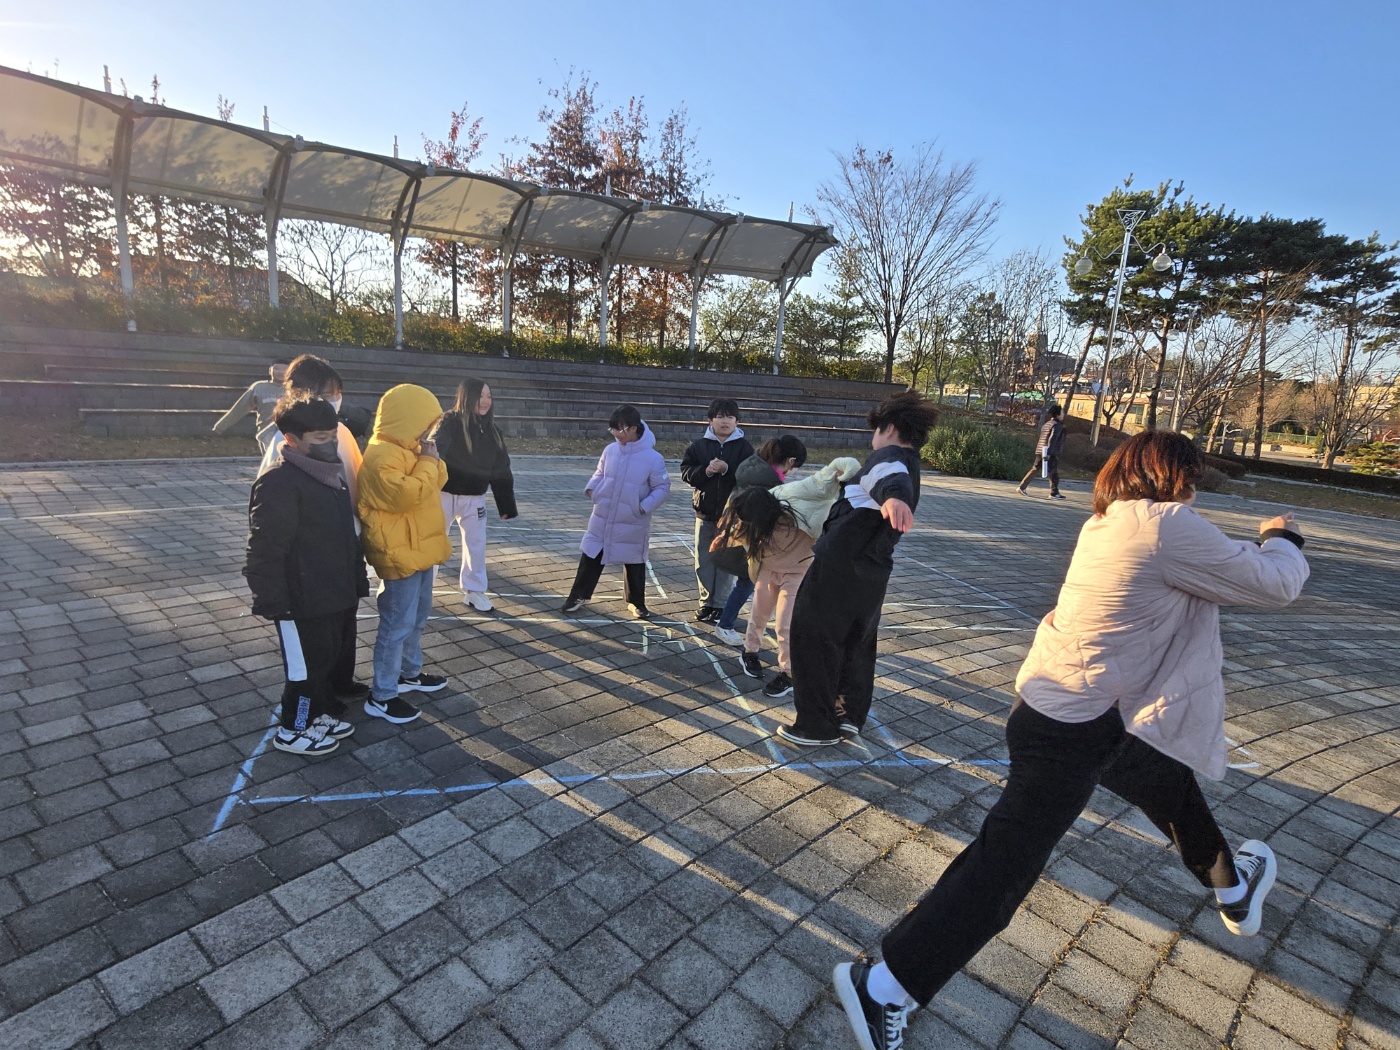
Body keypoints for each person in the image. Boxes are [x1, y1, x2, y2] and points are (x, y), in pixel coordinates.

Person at [833, 430, 1309, 1050]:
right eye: (1190, 479)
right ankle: (885, 986)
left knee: (1165, 782)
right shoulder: (1165, 526)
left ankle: (1232, 885)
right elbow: (1275, 583)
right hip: (1075, 728)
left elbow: (1210, 563)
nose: (1195, 491)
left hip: (1073, 707)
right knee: (1006, 864)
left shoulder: (1110, 520)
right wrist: (1281, 537)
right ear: (1172, 479)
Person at [778, 391, 940, 747]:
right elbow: (891, 479)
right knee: (857, 641)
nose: (873, 439)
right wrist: (894, 496)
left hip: (838, 566)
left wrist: (894, 496)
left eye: (875, 431)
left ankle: (815, 726)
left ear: (890, 429)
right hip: (872, 571)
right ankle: (847, 714)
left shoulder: (888, 457)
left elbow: (887, 476)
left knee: (812, 637)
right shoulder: (912, 464)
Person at [244, 395, 367, 756]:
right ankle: (294, 728)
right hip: (299, 601)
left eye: (334, 436)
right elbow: (265, 549)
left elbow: (347, 538)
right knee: (304, 671)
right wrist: (273, 600)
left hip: (334, 594)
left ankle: (317, 713)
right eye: (320, 438)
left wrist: (356, 580)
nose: (331, 444)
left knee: (325, 661)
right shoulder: (279, 483)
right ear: (291, 440)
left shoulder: (332, 477)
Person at [724, 455, 861, 697]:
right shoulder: (753, 514)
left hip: (797, 571)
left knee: (786, 625)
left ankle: (790, 673)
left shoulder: (798, 502)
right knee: (758, 614)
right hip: (768, 569)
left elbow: (831, 471)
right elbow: (739, 531)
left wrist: (847, 475)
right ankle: (749, 652)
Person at [357, 384, 453, 725]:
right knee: (396, 624)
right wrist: (428, 461)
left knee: (418, 616)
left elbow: (438, 479)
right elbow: (406, 495)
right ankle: (382, 695)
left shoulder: (412, 450)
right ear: (407, 419)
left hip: (418, 547)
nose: (429, 431)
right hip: (399, 552)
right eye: (426, 424)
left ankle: (409, 673)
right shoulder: (381, 454)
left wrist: (429, 459)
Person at [561, 405, 670, 619]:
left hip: (632, 519)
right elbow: (600, 473)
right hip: (603, 514)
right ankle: (578, 595)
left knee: (634, 559)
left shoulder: (653, 458)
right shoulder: (610, 450)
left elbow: (662, 488)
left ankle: (636, 602)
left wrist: (642, 507)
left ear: (634, 428)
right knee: (591, 553)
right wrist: (593, 490)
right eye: (613, 429)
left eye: (620, 429)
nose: (616, 434)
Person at [712, 435, 809, 646]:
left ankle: (733, 621)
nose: (794, 472)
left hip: (738, 532)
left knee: (748, 582)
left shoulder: (755, 467)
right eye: (796, 467)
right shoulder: (767, 482)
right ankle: (725, 624)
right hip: (746, 538)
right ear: (790, 461)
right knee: (747, 582)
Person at [435, 378, 518, 612]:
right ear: (467, 396)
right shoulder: (450, 421)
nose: (485, 401)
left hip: (474, 498)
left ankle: (474, 591)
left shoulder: (493, 431)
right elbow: (435, 448)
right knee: (433, 540)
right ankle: (423, 589)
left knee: (476, 545)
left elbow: (501, 469)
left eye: (489, 396)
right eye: (481, 396)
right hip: (444, 495)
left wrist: (506, 505)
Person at [679, 398, 754, 624]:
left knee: (726, 560)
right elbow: (686, 472)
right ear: (710, 420)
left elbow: (749, 476)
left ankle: (720, 604)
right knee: (704, 559)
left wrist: (727, 469)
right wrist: (706, 471)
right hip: (705, 513)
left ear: (737, 421)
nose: (725, 421)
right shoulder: (699, 446)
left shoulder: (744, 448)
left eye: (730, 417)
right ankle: (705, 602)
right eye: (720, 417)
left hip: (732, 516)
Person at [258, 354, 363, 511]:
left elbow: (356, 481)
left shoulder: (342, 431)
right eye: (327, 395)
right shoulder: (287, 438)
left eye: (338, 393)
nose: (335, 399)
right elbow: (270, 500)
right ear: (301, 395)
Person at [213, 360, 288, 451]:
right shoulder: (259, 387)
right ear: (270, 370)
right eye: (277, 369)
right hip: (266, 434)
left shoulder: (295, 389)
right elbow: (240, 408)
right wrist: (221, 426)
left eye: (285, 370)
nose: (280, 372)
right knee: (270, 459)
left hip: (289, 434)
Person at [1018, 403, 1066, 500]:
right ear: (1057, 414)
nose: (1063, 414)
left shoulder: (1047, 424)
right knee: (1053, 472)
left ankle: (1022, 487)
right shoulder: (1057, 425)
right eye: (1062, 412)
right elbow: (1052, 439)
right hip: (1050, 452)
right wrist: (1049, 453)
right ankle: (1054, 493)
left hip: (1040, 450)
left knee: (1035, 469)